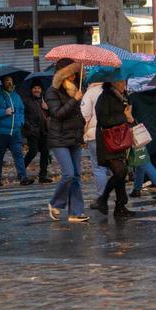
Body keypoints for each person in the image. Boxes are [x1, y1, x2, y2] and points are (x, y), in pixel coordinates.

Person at [45, 59, 89, 222]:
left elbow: (76, 115)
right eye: (70, 74)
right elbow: (58, 113)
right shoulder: (52, 92)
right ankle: (55, 203)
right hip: (59, 138)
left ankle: (75, 212)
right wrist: (75, 100)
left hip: (74, 137)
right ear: (62, 75)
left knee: (77, 175)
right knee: (69, 174)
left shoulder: (75, 90)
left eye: (75, 73)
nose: (74, 77)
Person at [90, 80, 136, 218]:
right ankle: (103, 198)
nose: (123, 84)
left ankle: (120, 206)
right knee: (120, 171)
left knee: (121, 173)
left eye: (124, 81)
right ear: (112, 83)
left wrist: (129, 117)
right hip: (108, 141)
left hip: (121, 139)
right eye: (120, 81)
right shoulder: (105, 97)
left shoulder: (124, 97)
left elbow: (128, 118)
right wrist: (124, 116)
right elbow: (104, 121)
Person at [0, 75, 34, 186]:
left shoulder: (16, 96)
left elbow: (21, 110)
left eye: (11, 81)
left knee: (18, 155)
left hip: (15, 132)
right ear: (2, 83)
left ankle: (23, 177)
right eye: (7, 81)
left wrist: (20, 122)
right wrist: (4, 112)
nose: (9, 83)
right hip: (0, 133)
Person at [128, 83, 156, 198]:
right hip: (151, 135)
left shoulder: (134, 98)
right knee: (141, 159)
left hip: (136, 134)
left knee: (142, 160)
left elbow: (127, 116)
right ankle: (136, 189)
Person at [81, 81, 109, 197]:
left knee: (98, 167)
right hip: (111, 132)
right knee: (113, 164)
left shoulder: (90, 93)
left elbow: (85, 114)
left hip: (94, 134)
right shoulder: (111, 91)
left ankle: (101, 196)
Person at [22, 81, 52, 183]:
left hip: (44, 131)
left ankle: (43, 175)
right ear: (31, 90)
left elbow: (51, 115)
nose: (36, 90)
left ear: (41, 90)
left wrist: (47, 109)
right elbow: (23, 116)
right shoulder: (26, 101)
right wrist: (29, 127)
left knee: (45, 152)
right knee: (33, 151)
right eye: (34, 88)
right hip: (32, 131)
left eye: (38, 88)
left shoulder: (45, 101)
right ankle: (21, 171)